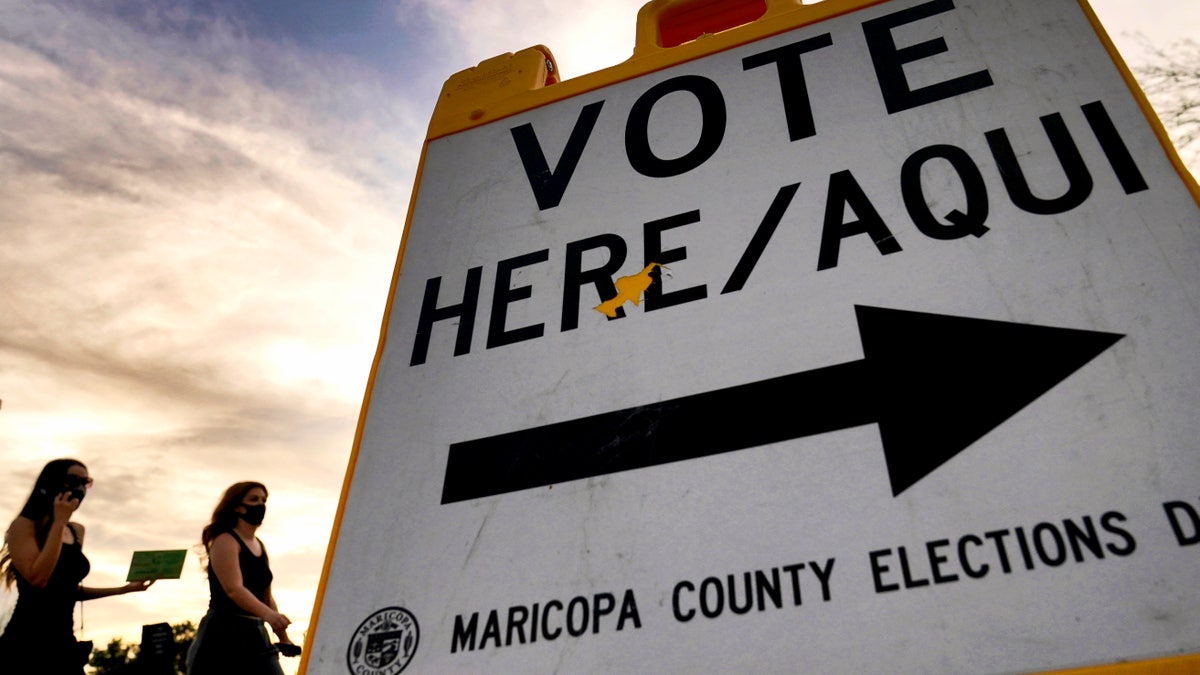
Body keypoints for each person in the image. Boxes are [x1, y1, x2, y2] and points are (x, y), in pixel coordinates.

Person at [0, 458, 153, 674]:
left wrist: (123, 589)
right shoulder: (23, 527)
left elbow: (67, 591)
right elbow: (38, 578)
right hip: (26, 643)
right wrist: (59, 522)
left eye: (86, 481)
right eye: (72, 480)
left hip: (64, 644)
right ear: (51, 483)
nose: (80, 487)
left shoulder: (76, 531)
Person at [187, 481, 297, 674]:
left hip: (256, 633)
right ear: (237, 506)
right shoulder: (225, 540)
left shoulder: (259, 545)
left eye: (264, 500)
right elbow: (234, 589)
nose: (261, 505)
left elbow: (267, 596)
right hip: (222, 635)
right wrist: (269, 615)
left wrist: (283, 637)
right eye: (254, 500)